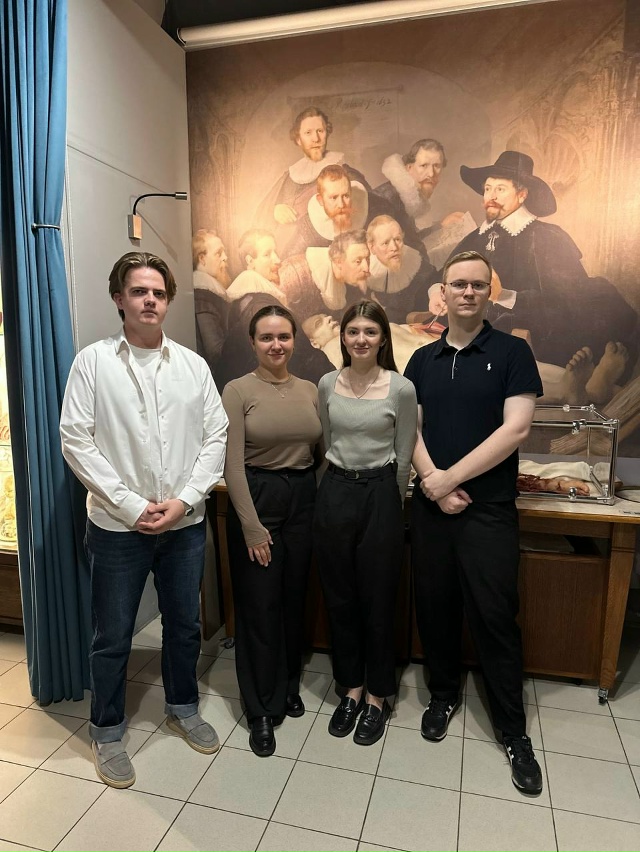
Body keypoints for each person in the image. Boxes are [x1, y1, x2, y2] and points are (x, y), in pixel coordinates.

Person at [60, 251, 228, 789]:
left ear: (168, 300)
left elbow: (216, 436)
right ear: (119, 299)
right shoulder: (93, 363)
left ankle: (183, 706)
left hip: (184, 525)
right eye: (139, 291)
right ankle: (108, 731)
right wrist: (131, 506)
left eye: (158, 292)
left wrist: (184, 500)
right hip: (116, 529)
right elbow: (76, 440)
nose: (150, 300)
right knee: (112, 635)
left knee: (183, 625)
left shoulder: (192, 366)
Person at [404, 250, 544, 795]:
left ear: (490, 293)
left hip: (488, 511)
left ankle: (513, 731)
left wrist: (448, 479)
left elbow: (515, 430)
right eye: (458, 284)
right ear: (442, 292)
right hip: (431, 510)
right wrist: (432, 483)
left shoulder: (512, 352)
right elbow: (410, 429)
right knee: (435, 609)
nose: (467, 292)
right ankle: (442, 696)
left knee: (495, 617)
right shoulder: (422, 359)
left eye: (477, 285)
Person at [314, 300, 417, 746]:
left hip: (381, 494)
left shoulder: (401, 388)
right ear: (342, 337)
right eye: (353, 331)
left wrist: (392, 504)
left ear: (383, 339)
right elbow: (327, 441)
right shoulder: (327, 383)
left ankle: (377, 696)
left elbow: (405, 453)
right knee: (340, 597)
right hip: (335, 491)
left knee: (378, 599)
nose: (361, 339)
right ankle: (351, 688)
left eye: (370, 332)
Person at [222, 305, 322, 757]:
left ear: (294, 340)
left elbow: (321, 453)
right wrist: (251, 526)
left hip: (302, 497)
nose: (276, 345)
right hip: (257, 496)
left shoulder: (310, 390)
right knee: (259, 605)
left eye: (283, 336)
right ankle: (261, 708)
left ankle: (286, 686)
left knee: (292, 600)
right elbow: (231, 464)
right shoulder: (238, 390)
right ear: (253, 342)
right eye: (266, 337)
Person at [448, 150, 637, 378]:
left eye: (500, 189)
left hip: (531, 331)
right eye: (488, 189)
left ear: (522, 195)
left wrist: (504, 296)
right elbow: (442, 276)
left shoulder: (546, 237)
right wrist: (437, 293)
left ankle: (595, 379)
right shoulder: (475, 237)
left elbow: (564, 302)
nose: (491, 196)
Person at [216, 229, 332, 388]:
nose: (277, 259)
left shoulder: (246, 301)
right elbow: (303, 360)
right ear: (250, 261)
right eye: (267, 254)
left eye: (275, 252)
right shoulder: (263, 307)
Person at [257, 106, 369, 241]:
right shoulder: (289, 177)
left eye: (320, 131)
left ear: (327, 133)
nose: (315, 138)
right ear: (298, 139)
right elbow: (261, 217)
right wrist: (275, 211)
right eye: (308, 132)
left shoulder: (347, 174)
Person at [283, 164, 393, 259]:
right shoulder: (309, 228)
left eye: (346, 196)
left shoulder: (374, 205)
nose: (341, 205)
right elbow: (287, 259)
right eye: (333, 198)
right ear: (320, 200)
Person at [375, 138, 464, 245]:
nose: (431, 174)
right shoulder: (388, 198)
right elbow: (406, 247)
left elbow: (411, 239)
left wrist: (442, 225)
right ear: (409, 168)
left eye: (436, 166)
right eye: (424, 166)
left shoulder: (406, 198)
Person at [366, 215, 437, 323]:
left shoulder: (415, 261)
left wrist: (435, 293)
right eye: (385, 243)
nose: (394, 248)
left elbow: (434, 280)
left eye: (397, 239)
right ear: (372, 247)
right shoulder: (363, 272)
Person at [192, 229, 231, 384]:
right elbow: (215, 350)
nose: (225, 257)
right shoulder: (203, 294)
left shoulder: (207, 291)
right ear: (202, 258)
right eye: (218, 253)